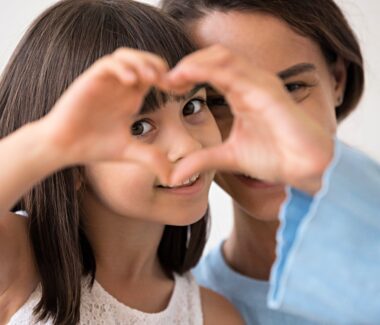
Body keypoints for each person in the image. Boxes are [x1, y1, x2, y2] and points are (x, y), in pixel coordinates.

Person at [0, 0, 244, 324]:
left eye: (191, 107)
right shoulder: (20, 264)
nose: (188, 145)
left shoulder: (214, 316)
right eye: (139, 126)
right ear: (71, 161)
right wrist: (50, 143)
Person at [161, 0, 380, 324]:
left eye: (291, 88)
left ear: (337, 80)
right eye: (218, 101)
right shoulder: (186, 313)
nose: (261, 135)